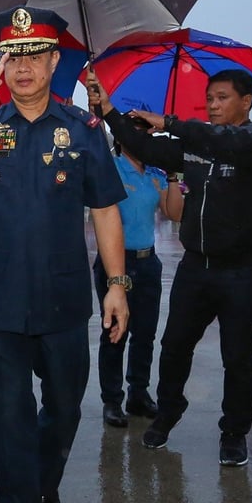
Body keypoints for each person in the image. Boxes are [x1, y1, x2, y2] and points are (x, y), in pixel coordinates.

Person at [0, 6, 129, 503]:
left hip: (63, 295)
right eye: (12, 56)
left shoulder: (83, 129)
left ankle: (41, 487)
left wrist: (117, 283)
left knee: (63, 409)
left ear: (55, 60)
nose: (22, 66)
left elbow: (104, 210)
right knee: (9, 415)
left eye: (34, 54)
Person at [87, 67, 252, 467]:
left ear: (245, 102)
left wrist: (172, 122)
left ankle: (233, 433)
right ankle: (168, 413)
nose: (212, 105)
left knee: (238, 356)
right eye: (209, 98)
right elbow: (146, 148)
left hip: (244, 270)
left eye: (222, 97)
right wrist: (108, 110)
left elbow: (223, 139)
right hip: (196, 267)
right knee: (174, 346)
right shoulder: (197, 148)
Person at [97, 115, 184, 429]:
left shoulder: (157, 174)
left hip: (148, 261)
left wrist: (173, 177)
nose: (141, 139)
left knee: (145, 333)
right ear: (121, 138)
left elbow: (174, 213)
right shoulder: (110, 167)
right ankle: (112, 400)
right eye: (135, 133)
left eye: (146, 134)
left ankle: (138, 393)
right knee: (114, 333)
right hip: (114, 263)